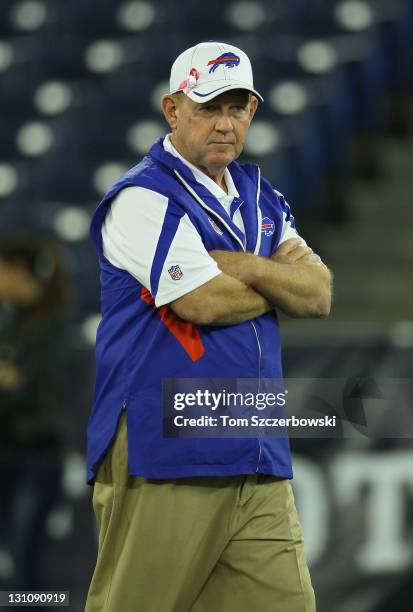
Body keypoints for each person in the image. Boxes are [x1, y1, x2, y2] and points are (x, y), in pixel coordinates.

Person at [85, 41, 332, 612]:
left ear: (252, 112)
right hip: (168, 445)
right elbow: (202, 301)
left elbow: (318, 294)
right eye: (208, 107)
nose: (225, 123)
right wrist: (277, 285)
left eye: (237, 108)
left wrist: (241, 264)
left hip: (257, 446)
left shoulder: (261, 196)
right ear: (173, 111)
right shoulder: (143, 197)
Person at [0, 234, 75, 594]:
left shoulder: (56, 328)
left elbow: (44, 396)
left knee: (25, 558)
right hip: (8, 450)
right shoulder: (9, 324)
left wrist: (14, 383)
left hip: (39, 456)